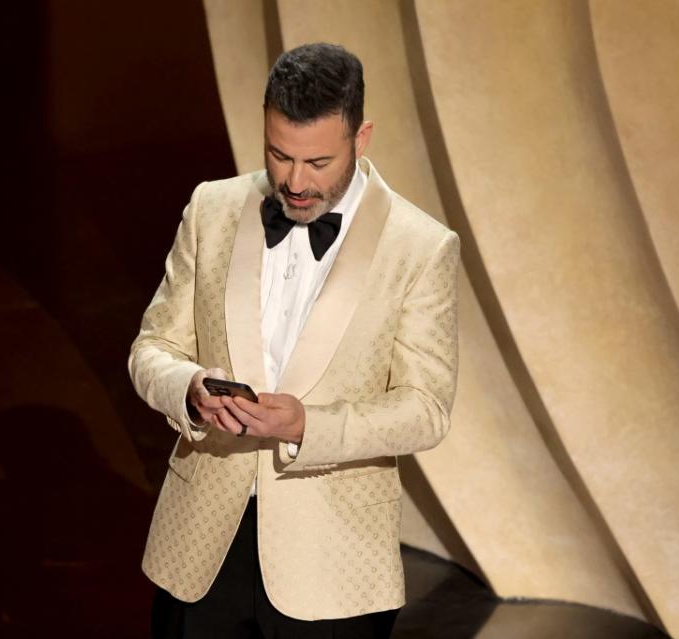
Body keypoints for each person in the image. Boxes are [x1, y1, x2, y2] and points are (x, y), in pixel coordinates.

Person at [129, 42, 459, 639]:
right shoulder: (213, 207)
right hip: (203, 547)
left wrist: (307, 424)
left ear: (361, 140)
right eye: (279, 155)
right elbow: (151, 348)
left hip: (334, 567)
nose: (295, 181)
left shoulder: (420, 246)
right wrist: (191, 388)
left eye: (318, 162)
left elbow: (426, 410)